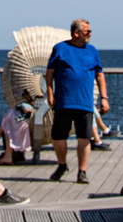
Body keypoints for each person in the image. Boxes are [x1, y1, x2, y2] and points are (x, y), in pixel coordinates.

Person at [43, 18, 109, 184]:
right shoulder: (60, 48)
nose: (90, 34)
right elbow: (49, 73)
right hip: (64, 101)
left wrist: (104, 97)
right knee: (58, 136)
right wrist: (50, 93)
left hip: (85, 101)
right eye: (87, 31)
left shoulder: (92, 51)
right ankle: (62, 164)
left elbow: (100, 75)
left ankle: (82, 171)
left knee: (84, 138)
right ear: (76, 33)